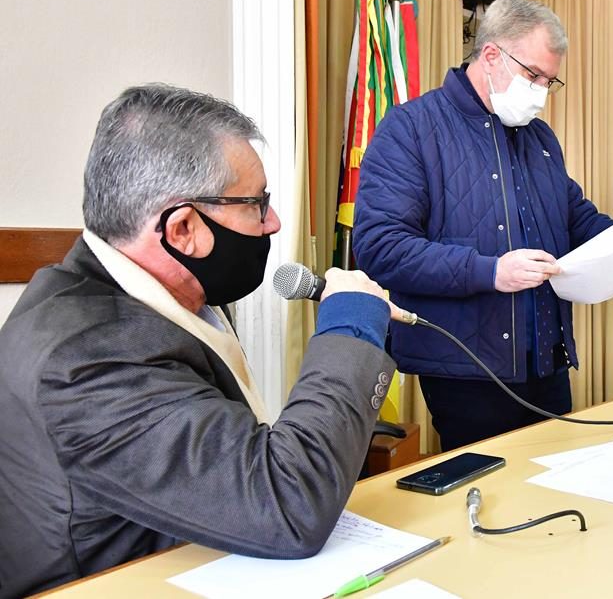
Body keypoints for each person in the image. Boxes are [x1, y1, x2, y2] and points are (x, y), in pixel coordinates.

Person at [0, 85, 402, 596]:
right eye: (258, 204)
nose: (273, 222)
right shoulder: (86, 358)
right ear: (183, 227)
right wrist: (350, 325)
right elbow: (287, 504)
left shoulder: (147, 296)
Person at [352, 0, 613, 451]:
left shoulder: (539, 137)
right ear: (492, 55)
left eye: (549, 81)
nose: (540, 90)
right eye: (532, 75)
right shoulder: (411, 129)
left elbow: (578, 220)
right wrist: (491, 271)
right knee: (491, 496)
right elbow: (380, 248)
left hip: (546, 360)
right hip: (468, 366)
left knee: (556, 487)